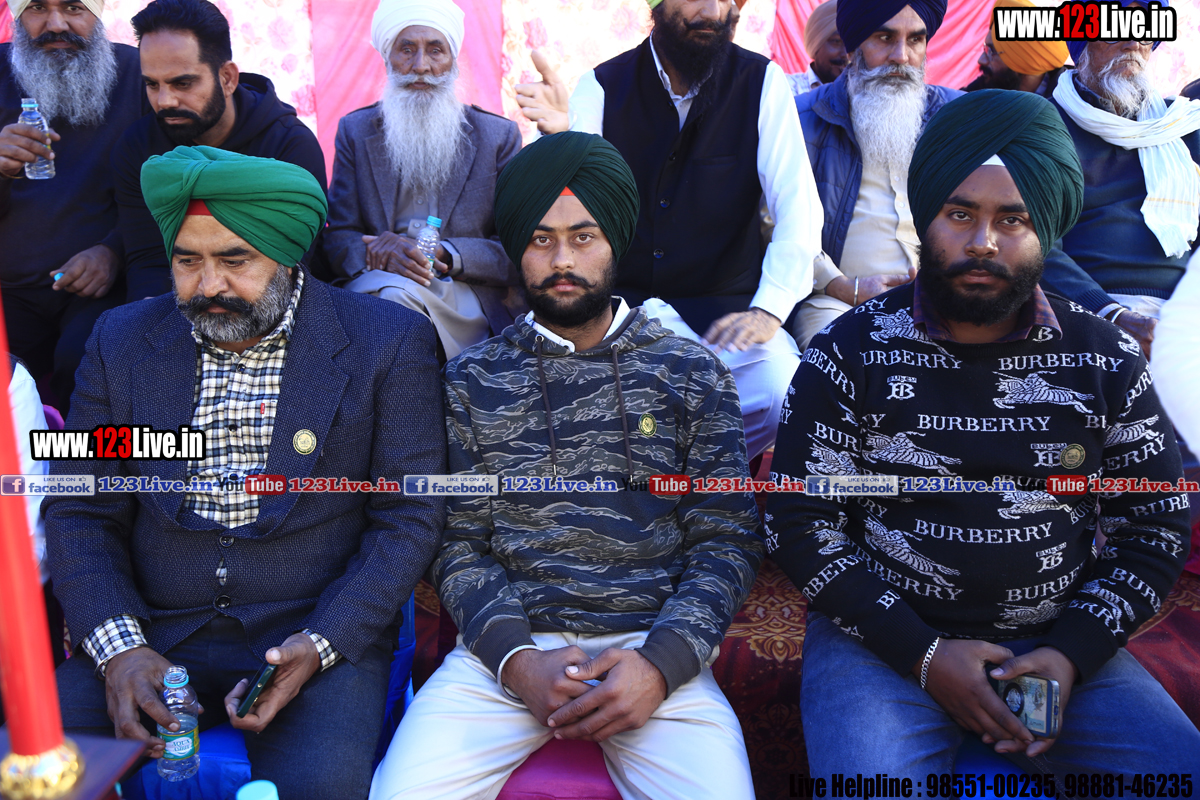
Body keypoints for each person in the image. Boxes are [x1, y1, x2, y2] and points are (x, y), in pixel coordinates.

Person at [766, 90, 1200, 776]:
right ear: (926, 216)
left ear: (1046, 227)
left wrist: (1070, 654)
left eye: (1013, 219)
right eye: (960, 213)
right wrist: (923, 655)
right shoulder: (849, 350)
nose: (982, 242)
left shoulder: (1107, 360)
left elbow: (1152, 524)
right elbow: (799, 518)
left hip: (1056, 644)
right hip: (879, 645)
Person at [370, 132, 764, 800]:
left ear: (616, 241)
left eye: (584, 238)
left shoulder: (689, 372)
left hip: (653, 649)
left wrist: (660, 666)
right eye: (540, 239)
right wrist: (519, 664)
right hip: (503, 660)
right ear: (516, 248)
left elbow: (727, 539)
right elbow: (458, 544)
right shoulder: (472, 380)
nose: (562, 260)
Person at [46, 147, 445, 799]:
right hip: (151, 629)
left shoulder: (387, 341)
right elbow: (81, 504)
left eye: (235, 260)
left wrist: (321, 642)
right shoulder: (119, 341)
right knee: (34, 772)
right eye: (187, 261)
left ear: (286, 256)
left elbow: (408, 517)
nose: (208, 285)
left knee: (319, 788)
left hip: (309, 635)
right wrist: (120, 650)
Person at [510, 0, 823, 459]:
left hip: (723, 315)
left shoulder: (761, 81)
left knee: (782, 389)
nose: (712, 10)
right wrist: (560, 141)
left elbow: (799, 209)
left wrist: (768, 310)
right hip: (620, 311)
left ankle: (692, 474)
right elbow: (570, 203)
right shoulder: (602, 85)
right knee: (562, 404)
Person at [327, 0, 524, 360]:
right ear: (387, 59)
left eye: (435, 50)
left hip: (464, 290)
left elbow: (516, 248)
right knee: (389, 301)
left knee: (387, 311)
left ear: (453, 60)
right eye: (406, 50)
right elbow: (339, 236)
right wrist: (378, 253)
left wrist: (446, 252)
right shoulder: (355, 130)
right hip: (378, 279)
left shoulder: (497, 137)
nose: (420, 66)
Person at [114, 0, 329, 302]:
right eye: (152, 84)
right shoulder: (138, 147)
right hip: (173, 303)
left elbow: (287, 264)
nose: (165, 101)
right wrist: (156, 322)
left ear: (227, 78)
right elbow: (148, 260)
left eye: (182, 83)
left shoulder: (289, 145)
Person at [0, 0, 145, 408]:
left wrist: (114, 251)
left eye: (72, 7)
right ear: (17, 16)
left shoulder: (139, 74)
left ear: (97, 13)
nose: (56, 24)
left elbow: (169, 186)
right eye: (37, 7)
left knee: (87, 364)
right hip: (8, 290)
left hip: (101, 289)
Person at [791, 0, 961, 350]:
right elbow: (777, 224)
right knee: (844, 355)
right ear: (853, 47)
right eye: (884, 38)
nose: (901, 56)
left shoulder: (957, 117)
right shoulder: (804, 119)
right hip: (837, 301)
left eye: (915, 40)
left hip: (944, 301)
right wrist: (841, 286)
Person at [1041, 0, 1200, 357]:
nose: (1133, 43)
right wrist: (1112, 315)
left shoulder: (1184, 126)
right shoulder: (1045, 126)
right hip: (1084, 314)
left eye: (1144, 31)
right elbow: (1034, 244)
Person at [787, 0, 847, 95]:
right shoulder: (788, 87)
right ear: (815, 44)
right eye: (837, 41)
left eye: (852, 44)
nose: (846, 54)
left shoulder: (863, 91)